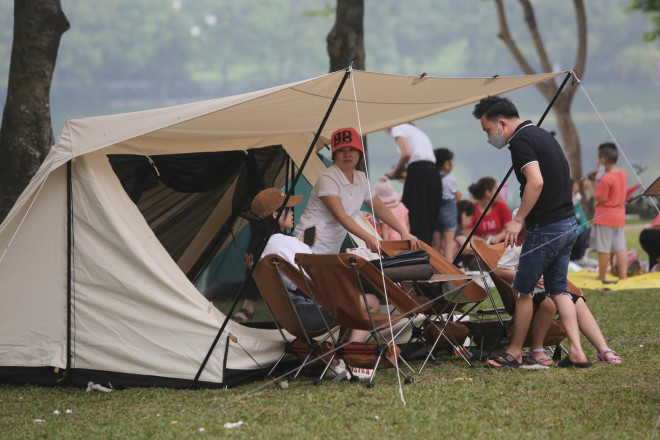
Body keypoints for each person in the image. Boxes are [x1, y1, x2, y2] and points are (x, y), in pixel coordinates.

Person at [472, 95, 589, 368]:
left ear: (501, 123)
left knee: (523, 291)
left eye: (488, 130)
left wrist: (518, 220)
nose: (490, 137)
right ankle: (577, 351)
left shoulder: (520, 141)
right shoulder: (542, 135)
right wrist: (526, 224)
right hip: (567, 224)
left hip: (547, 228)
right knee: (559, 290)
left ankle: (514, 352)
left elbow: (535, 182)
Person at [249, 187, 380, 343]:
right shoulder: (285, 242)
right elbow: (315, 279)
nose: (292, 213)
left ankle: (343, 351)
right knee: (371, 301)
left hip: (289, 316)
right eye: (288, 208)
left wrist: (303, 246)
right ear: (276, 214)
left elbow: (293, 275)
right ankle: (352, 352)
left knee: (351, 304)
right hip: (310, 312)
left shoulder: (260, 250)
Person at [294, 127, 419, 254]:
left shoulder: (361, 178)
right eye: (341, 150)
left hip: (331, 250)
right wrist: (368, 237)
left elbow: (380, 208)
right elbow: (340, 215)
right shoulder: (327, 178)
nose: (347, 154)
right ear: (334, 155)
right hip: (307, 246)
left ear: (360, 153)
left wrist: (403, 232)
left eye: (352, 149)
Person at [495, 243, 623, 365]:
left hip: (550, 289)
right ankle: (536, 349)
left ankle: (603, 350)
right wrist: (529, 277)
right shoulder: (519, 244)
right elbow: (500, 270)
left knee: (578, 301)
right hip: (526, 293)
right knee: (548, 303)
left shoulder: (549, 241)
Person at [385, 123, 443, 245]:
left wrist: (395, 171)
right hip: (432, 172)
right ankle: (426, 250)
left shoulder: (397, 127)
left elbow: (406, 153)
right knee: (428, 218)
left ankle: (417, 251)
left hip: (419, 173)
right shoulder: (416, 131)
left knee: (415, 216)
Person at [582, 142, 629, 283]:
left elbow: (600, 198)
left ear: (602, 160)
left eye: (597, 158)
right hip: (619, 216)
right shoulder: (622, 173)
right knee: (620, 247)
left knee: (603, 249)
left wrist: (589, 187)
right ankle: (623, 276)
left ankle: (601, 276)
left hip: (605, 218)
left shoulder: (606, 178)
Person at [432, 148, 461, 259]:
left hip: (435, 214)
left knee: (436, 245)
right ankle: (448, 268)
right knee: (448, 245)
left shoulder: (432, 178)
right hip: (449, 214)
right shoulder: (451, 179)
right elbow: (457, 195)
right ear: (446, 163)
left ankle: (435, 267)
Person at [467, 177, 512, 245]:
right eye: (496, 189)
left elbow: (509, 228)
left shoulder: (502, 206)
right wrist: (485, 242)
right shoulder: (471, 209)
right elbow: (467, 233)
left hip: (499, 246)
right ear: (487, 193)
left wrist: (498, 237)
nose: (500, 192)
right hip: (478, 247)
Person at [374, 176, 409, 241]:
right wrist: (408, 235)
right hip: (404, 237)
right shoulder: (401, 205)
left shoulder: (384, 210)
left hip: (392, 240)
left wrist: (386, 242)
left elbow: (385, 227)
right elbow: (407, 222)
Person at [569, 178, 592, 262]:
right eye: (575, 192)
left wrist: (575, 231)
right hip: (568, 237)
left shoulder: (577, 203)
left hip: (577, 235)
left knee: (589, 231)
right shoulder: (564, 205)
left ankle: (582, 256)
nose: (577, 195)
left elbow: (583, 222)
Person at [454, 200, 476, 268]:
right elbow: (468, 246)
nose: (470, 222)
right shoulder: (454, 226)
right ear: (463, 215)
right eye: (471, 219)